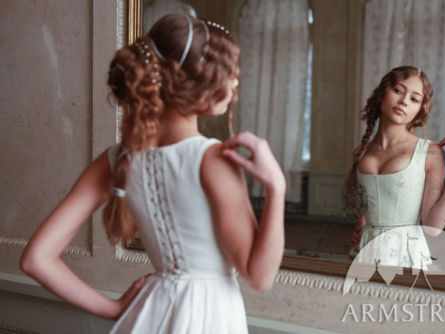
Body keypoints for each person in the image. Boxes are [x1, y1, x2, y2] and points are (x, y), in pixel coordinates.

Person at [20, 13, 286, 333]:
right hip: (209, 318)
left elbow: (35, 259)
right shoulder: (214, 159)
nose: (235, 81)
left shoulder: (117, 159)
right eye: (229, 71)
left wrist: (114, 309)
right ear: (198, 81)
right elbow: (260, 277)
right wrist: (277, 189)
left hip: (149, 314)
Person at [345, 66, 445, 269]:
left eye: (414, 99)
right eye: (398, 91)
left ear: (420, 109)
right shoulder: (361, 151)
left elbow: (434, 227)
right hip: (364, 253)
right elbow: (368, 202)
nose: (404, 101)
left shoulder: (429, 152)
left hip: (406, 256)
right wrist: (361, 226)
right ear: (382, 93)